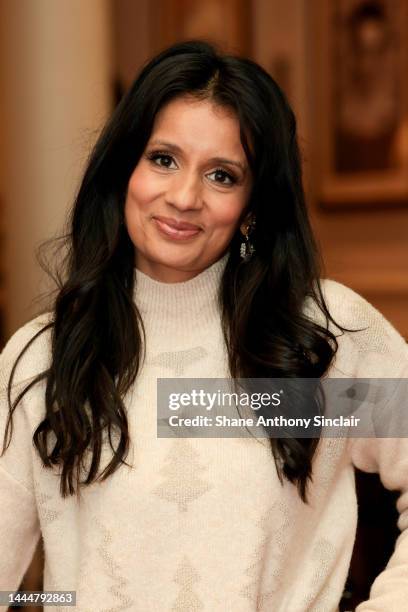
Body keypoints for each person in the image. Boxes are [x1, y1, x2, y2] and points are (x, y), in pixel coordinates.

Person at [0, 39, 407, 611]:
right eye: (163, 159)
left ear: (252, 206)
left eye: (222, 175)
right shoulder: (45, 357)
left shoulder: (321, 334)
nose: (184, 197)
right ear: (124, 170)